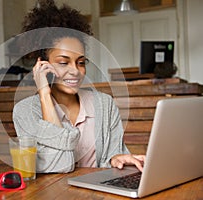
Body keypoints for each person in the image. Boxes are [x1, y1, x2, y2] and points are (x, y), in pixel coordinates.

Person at [12, 0, 145, 173]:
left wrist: (115, 159)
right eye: (63, 62)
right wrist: (44, 93)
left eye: (81, 62)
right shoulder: (25, 112)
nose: (75, 71)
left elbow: (114, 154)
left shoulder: (104, 105)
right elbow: (60, 165)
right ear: (43, 65)